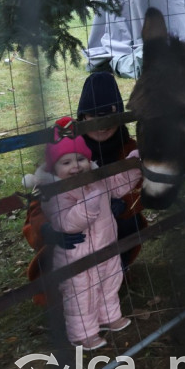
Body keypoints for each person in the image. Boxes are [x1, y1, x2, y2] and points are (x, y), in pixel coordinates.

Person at [23, 72, 146, 306]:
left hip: (109, 228)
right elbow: (38, 203)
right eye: (94, 116)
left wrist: (122, 205)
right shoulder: (65, 149)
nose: (102, 125)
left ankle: (113, 272)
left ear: (119, 117)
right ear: (82, 117)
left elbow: (140, 189)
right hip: (72, 231)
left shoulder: (128, 148)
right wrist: (48, 230)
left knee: (130, 222)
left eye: (109, 116)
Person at [23, 117, 141, 350]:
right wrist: (89, 204)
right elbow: (67, 223)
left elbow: (117, 183)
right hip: (76, 257)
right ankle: (82, 334)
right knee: (80, 295)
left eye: (80, 159)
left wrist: (132, 165)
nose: (75, 166)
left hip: (106, 247)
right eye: (66, 162)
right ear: (54, 168)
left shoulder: (95, 179)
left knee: (109, 282)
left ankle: (109, 316)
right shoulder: (55, 193)